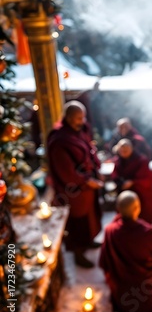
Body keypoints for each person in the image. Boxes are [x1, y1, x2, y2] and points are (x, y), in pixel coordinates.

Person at [47, 101, 103, 268]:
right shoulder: (59, 139)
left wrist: (95, 167)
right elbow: (66, 171)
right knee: (79, 222)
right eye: (79, 118)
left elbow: (88, 148)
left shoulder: (78, 131)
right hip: (74, 191)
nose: (82, 121)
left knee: (90, 217)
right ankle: (79, 253)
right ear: (69, 118)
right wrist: (87, 180)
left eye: (83, 117)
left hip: (87, 188)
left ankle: (89, 240)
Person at [111, 139, 152, 223]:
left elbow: (147, 179)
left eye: (126, 150)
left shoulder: (141, 160)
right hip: (124, 193)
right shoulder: (117, 160)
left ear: (131, 148)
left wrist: (133, 182)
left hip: (140, 194)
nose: (123, 152)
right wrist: (120, 182)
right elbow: (114, 174)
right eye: (121, 150)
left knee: (143, 219)